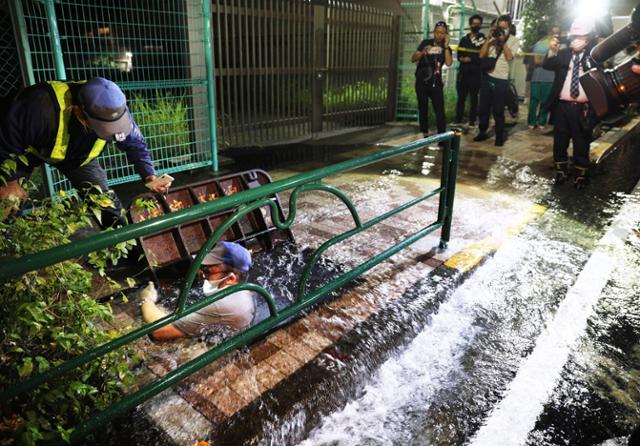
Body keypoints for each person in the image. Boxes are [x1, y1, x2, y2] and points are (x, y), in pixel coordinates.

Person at [0, 77, 171, 227]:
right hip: (27, 151)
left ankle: (123, 247)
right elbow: (5, 140)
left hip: (79, 158)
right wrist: (11, 179)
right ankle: (7, 245)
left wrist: (150, 176)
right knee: (9, 200)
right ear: (78, 113)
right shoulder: (37, 107)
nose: (111, 131)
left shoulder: (114, 109)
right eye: (103, 128)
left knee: (106, 205)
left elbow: (136, 144)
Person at [139, 241, 256, 341]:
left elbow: (160, 331)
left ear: (230, 278)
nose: (203, 273)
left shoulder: (222, 305)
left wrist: (147, 299)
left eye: (208, 270)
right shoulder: (246, 290)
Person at [543, 17, 599, 189]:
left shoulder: (594, 56)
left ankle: (580, 174)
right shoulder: (564, 53)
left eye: (581, 36)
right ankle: (561, 171)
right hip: (562, 105)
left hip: (583, 107)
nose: (577, 39)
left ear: (588, 38)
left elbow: (600, 73)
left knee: (581, 140)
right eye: (575, 35)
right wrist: (552, 51)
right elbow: (547, 64)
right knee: (560, 139)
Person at [474, 15, 520, 147]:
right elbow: (481, 55)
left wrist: (502, 41)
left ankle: (499, 136)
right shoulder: (492, 39)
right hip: (487, 77)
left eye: (504, 28)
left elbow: (510, 57)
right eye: (499, 28)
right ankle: (482, 132)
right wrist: (489, 40)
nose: (501, 30)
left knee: (498, 110)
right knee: (483, 108)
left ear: (509, 27)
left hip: (501, 80)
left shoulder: (514, 40)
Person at [411, 21, 453, 138]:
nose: (439, 35)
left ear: (446, 35)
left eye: (442, 33)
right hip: (422, 81)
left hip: (436, 82)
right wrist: (423, 52)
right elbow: (413, 59)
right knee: (423, 108)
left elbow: (449, 63)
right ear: (434, 32)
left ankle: (442, 138)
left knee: (440, 111)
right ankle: (424, 134)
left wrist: (445, 47)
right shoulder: (426, 43)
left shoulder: (446, 48)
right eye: (437, 32)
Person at [454, 14, 486, 127]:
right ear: (470, 24)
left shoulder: (483, 40)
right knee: (461, 98)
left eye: (478, 24)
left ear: (481, 25)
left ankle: (472, 120)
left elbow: (482, 56)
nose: (476, 26)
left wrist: (471, 58)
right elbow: (459, 55)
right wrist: (462, 58)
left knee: (473, 99)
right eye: (474, 24)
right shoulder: (464, 39)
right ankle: (458, 119)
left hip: (475, 74)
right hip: (463, 73)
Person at [527, 27, 558, 130]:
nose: (556, 35)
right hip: (540, 77)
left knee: (541, 101)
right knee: (538, 101)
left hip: (547, 78)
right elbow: (537, 61)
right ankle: (535, 122)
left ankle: (538, 122)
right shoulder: (540, 44)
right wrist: (550, 62)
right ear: (550, 33)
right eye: (554, 32)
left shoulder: (557, 45)